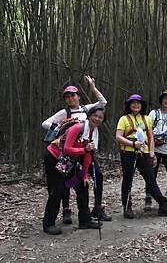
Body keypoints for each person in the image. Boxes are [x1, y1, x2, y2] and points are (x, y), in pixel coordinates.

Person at [41, 76, 111, 223]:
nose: (70, 98)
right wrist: (62, 127)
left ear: (78, 96)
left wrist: (92, 87)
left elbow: (103, 103)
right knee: (59, 188)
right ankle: (53, 220)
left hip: (77, 154)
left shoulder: (90, 121)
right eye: (67, 96)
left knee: (83, 183)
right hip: (59, 155)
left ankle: (87, 217)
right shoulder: (70, 119)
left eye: (73, 95)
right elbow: (47, 126)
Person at [42, 106, 104, 235]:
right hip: (55, 157)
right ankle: (48, 224)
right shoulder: (77, 127)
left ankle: (85, 220)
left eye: (100, 118)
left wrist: (85, 174)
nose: (97, 119)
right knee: (58, 189)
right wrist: (84, 149)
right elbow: (67, 148)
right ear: (89, 116)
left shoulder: (94, 133)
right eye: (95, 116)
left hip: (70, 160)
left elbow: (88, 155)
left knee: (82, 186)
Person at [115, 94, 167, 219]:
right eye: (133, 103)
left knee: (151, 179)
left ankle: (163, 205)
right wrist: (132, 143)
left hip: (144, 153)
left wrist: (152, 152)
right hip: (128, 153)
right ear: (129, 105)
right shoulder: (124, 119)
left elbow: (150, 137)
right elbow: (118, 136)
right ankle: (127, 206)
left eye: (138, 103)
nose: (136, 105)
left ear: (142, 105)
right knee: (128, 180)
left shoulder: (146, 118)